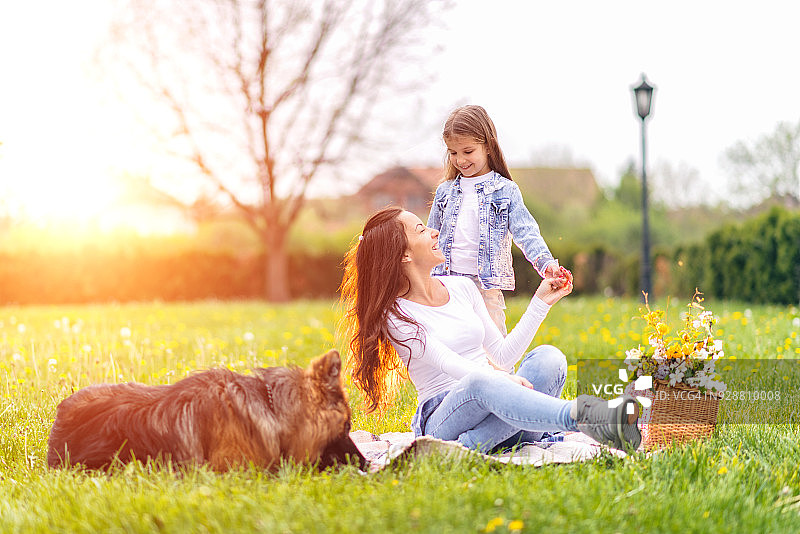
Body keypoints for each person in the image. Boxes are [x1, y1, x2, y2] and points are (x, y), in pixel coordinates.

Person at [340, 206, 641, 453]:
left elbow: (503, 355)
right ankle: (586, 418)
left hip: (495, 397)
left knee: (549, 358)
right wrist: (499, 379)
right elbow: (448, 363)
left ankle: (472, 446)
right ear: (404, 254)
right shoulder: (396, 314)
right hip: (445, 415)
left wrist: (541, 302)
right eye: (420, 230)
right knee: (478, 383)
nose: (434, 231)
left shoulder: (461, 287)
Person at [428, 105, 561, 335]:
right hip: (446, 286)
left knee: (495, 355)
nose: (460, 160)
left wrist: (545, 263)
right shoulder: (445, 192)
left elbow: (526, 232)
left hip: (485, 289)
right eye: (453, 152)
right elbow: (429, 237)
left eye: (468, 151)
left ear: (488, 146)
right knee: (451, 345)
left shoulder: (505, 190)